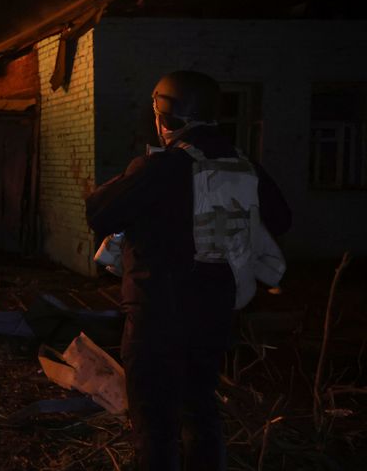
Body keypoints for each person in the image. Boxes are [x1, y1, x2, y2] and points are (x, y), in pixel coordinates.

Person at [85, 71, 291, 470]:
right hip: (214, 313)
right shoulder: (243, 166)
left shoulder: (160, 167)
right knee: (200, 411)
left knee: (155, 424)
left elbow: (99, 211)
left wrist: (136, 173)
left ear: (165, 115)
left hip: (155, 316)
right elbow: (280, 219)